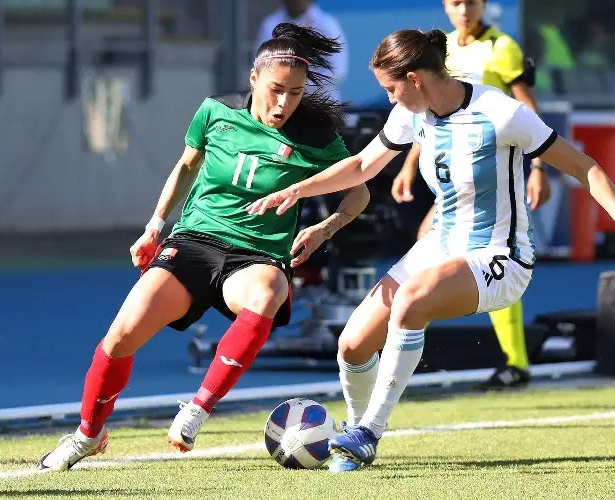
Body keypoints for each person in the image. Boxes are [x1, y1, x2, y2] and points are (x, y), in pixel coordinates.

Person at [247, 29, 615, 473]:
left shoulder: (501, 114)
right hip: (440, 247)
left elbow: (585, 165)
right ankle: (354, 425)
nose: (389, 101)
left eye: (391, 89)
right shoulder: (415, 113)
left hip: (500, 259)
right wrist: (299, 192)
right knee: (351, 345)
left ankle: (368, 432)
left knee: (411, 301)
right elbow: (362, 166)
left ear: (415, 79)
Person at [36, 23, 370, 472]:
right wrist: (154, 226)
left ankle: (198, 407)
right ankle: (87, 436)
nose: (284, 103)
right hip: (194, 241)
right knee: (119, 337)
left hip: (256, 254)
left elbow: (359, 191)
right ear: (254, 79)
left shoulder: (315, 136)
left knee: (269, 290)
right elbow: (186, 166)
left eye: (295, 93)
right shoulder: (215, 111)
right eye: (276, 90)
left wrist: (326, 228)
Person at [392, 0, 550, 390]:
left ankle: (516, 360)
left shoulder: (502, 48)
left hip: (488, 168)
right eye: (456, 2)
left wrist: (540, 168)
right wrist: (410, 164)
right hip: (447, 167)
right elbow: (430, 112)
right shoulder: (439, 48)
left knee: (494, 253)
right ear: (446, 6)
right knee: (429, 245)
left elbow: (526, 107)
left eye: (472, 2)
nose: (465, 10)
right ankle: (410, 340)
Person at [257, 0, 348, 100]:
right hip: (280, 102)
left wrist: (300, 84)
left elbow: (338, 71)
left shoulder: (327, 24)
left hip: (322, 102)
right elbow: (262, 65)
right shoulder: (270, 24)